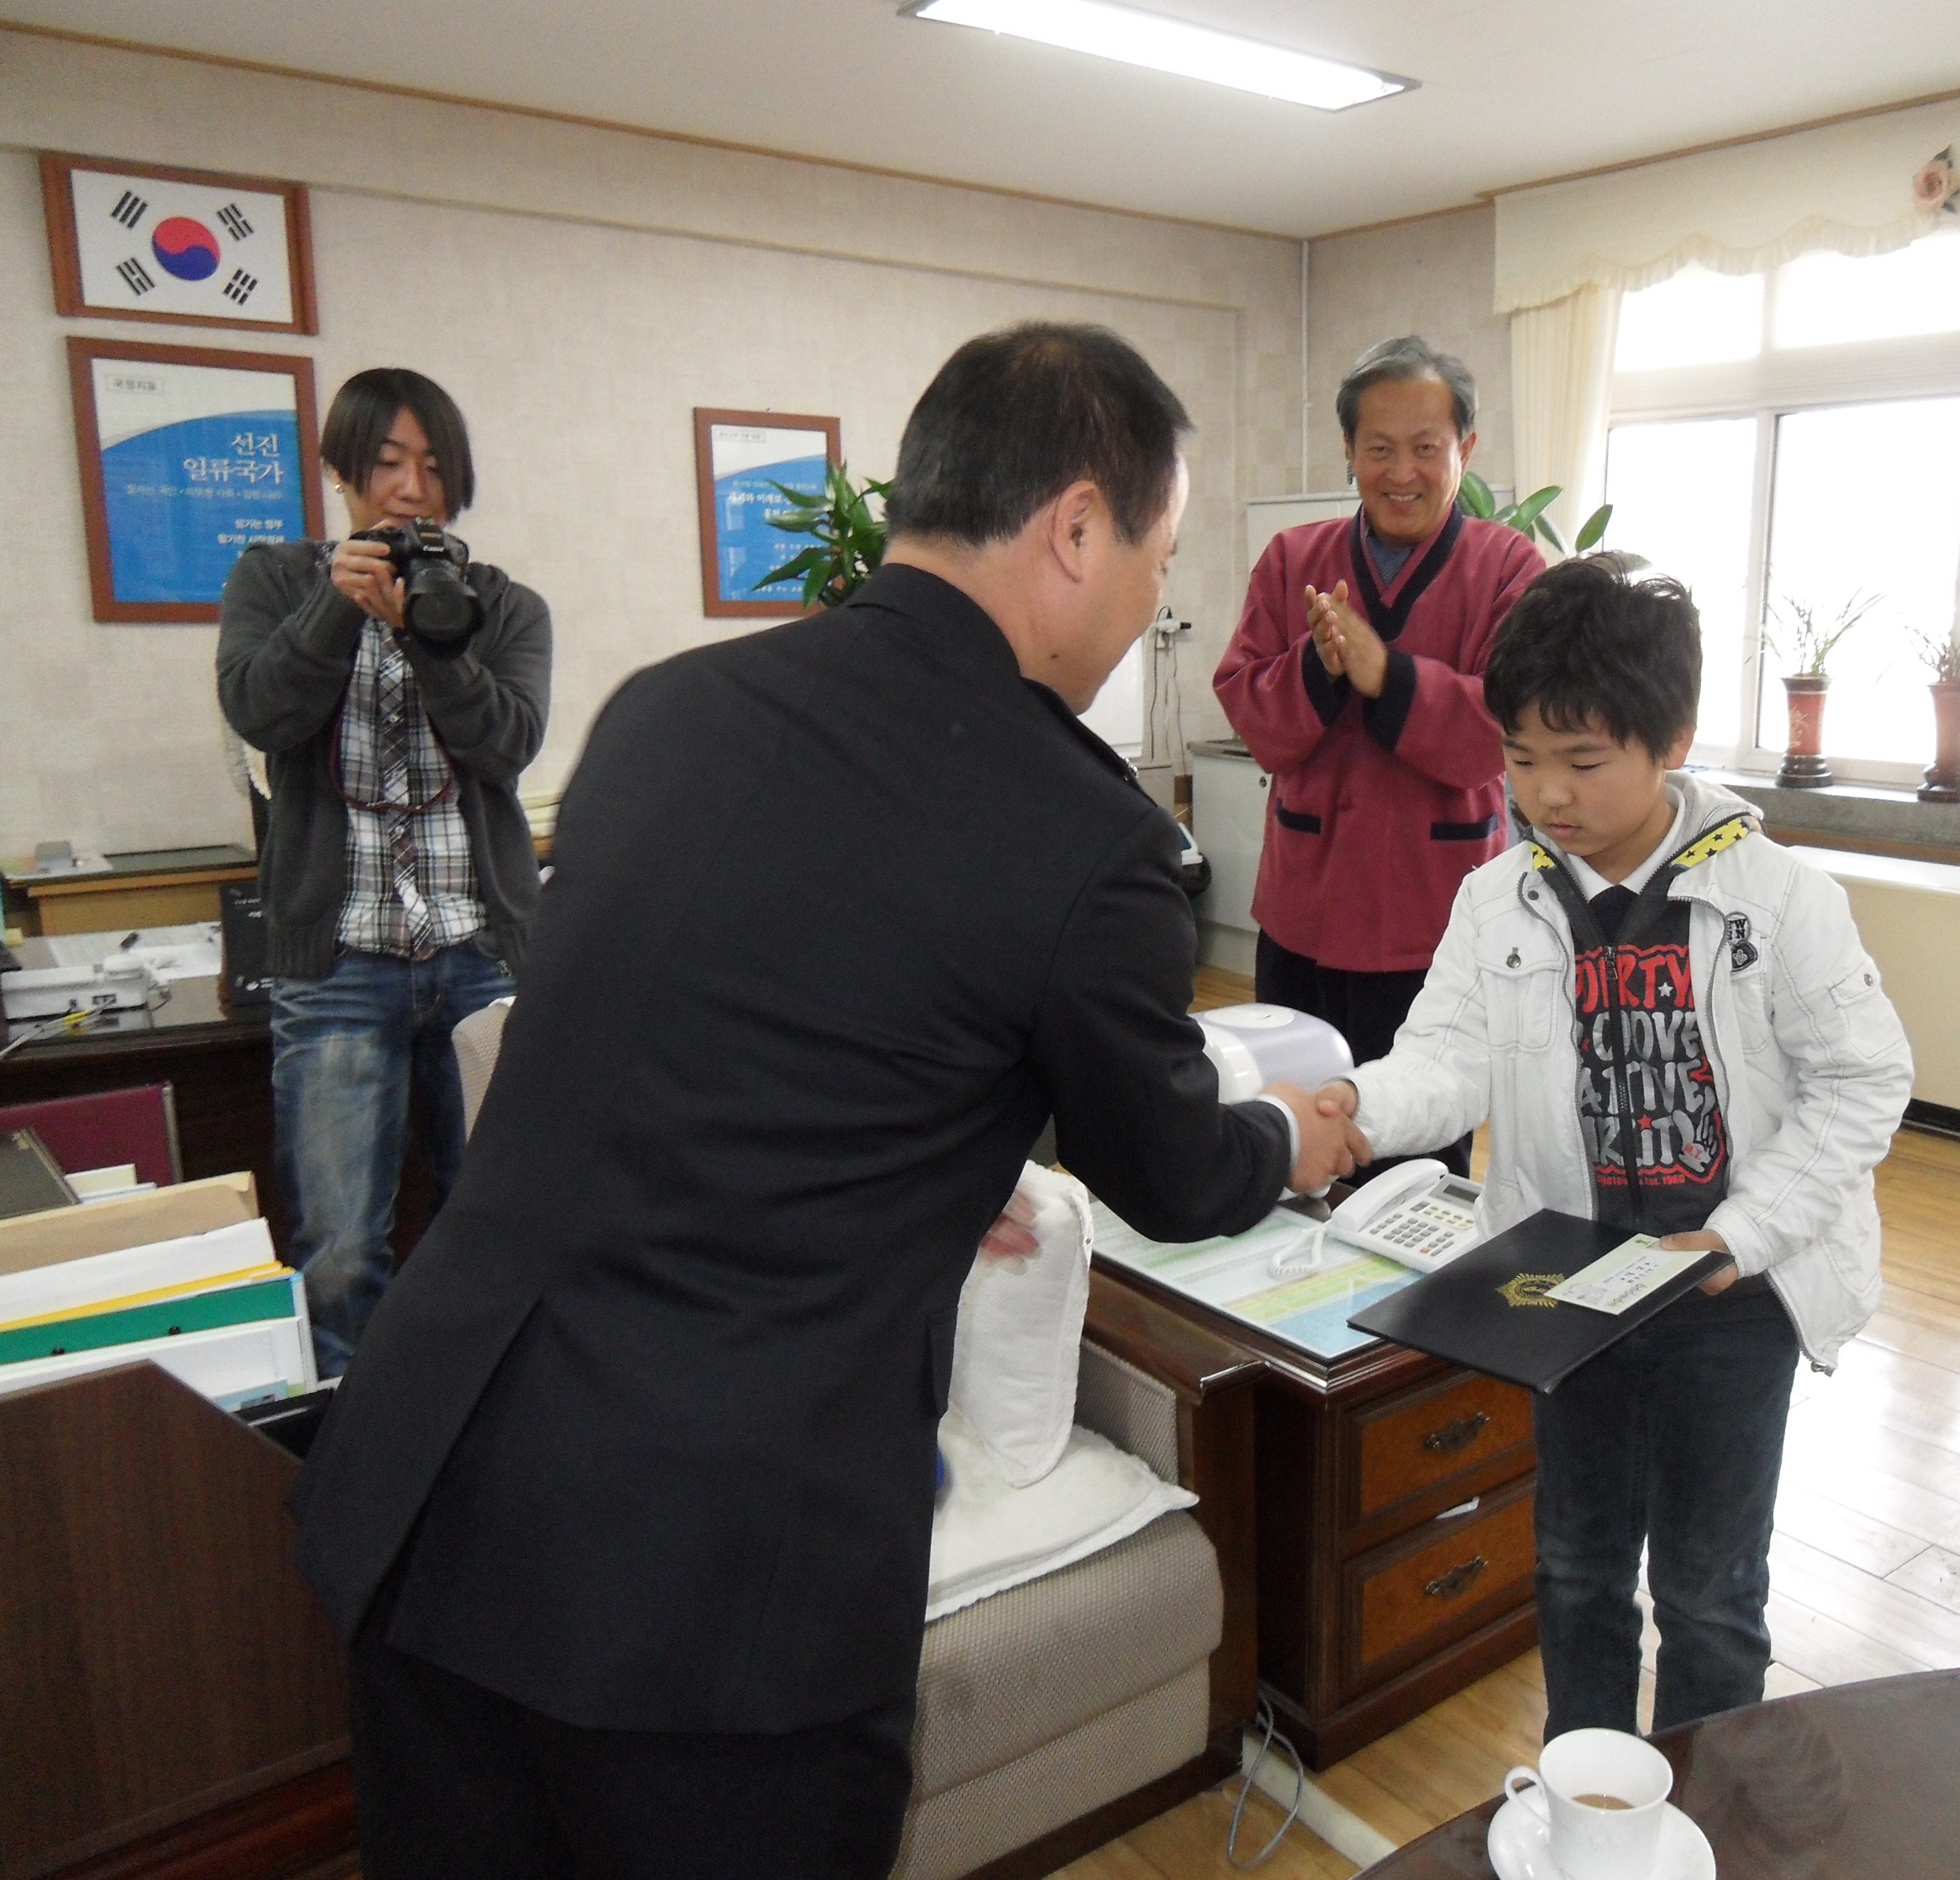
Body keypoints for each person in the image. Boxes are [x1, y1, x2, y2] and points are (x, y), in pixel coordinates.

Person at [289, 323, 1357, 1880]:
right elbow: (1175, 1171)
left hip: (434, 1495)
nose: (1152, 603)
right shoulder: (1088, 836)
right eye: (1159, 554)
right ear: (1076, 528)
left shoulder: (667, 712)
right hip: (709, 1599)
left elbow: (702, 1040)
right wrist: (1287, 1137)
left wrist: (930, 1168)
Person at [1316, 560, 1914, 1734]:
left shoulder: (1780, 898)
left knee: (1710, 1594)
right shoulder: (1497, 899)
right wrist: (1353, 1109)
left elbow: (1862, 1080)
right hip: (1570, 1291)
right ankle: (1586, 1791)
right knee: (1575, 1568)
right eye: (1521, 758)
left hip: (1732, 1298)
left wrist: (1744, 1233)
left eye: (1583, 762)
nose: (1548, 793)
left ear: (1672, 741)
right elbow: (1448, 1058)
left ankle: (1705, 1797)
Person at [217, 368, 550, 1378]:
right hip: (337, 966)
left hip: (480, 958)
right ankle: (358, 1454)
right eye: (390, 462)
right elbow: (261, 713)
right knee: (339, 1251)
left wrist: (430, 635)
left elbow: (507, 746)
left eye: (436, 467)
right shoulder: (275, 582)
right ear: (341, 470)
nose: (413, 488)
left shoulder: (505, 606)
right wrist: (338, 610)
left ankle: (483, 1434)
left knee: (499, 1229)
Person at [1213, 336, 1545, 1177]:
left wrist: (1385, 675)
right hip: (1306, 912)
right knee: (1295, 1141)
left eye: (1426, 448)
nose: (1402, 473)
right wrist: (1318, 669)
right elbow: (1251, 711)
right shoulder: (1294, 560)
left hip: (1435, 926)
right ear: (1349, 451)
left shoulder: (1509, 569)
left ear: (1466, 449)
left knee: (1416, 1160)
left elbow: (1506, 733)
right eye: (1379, 449)